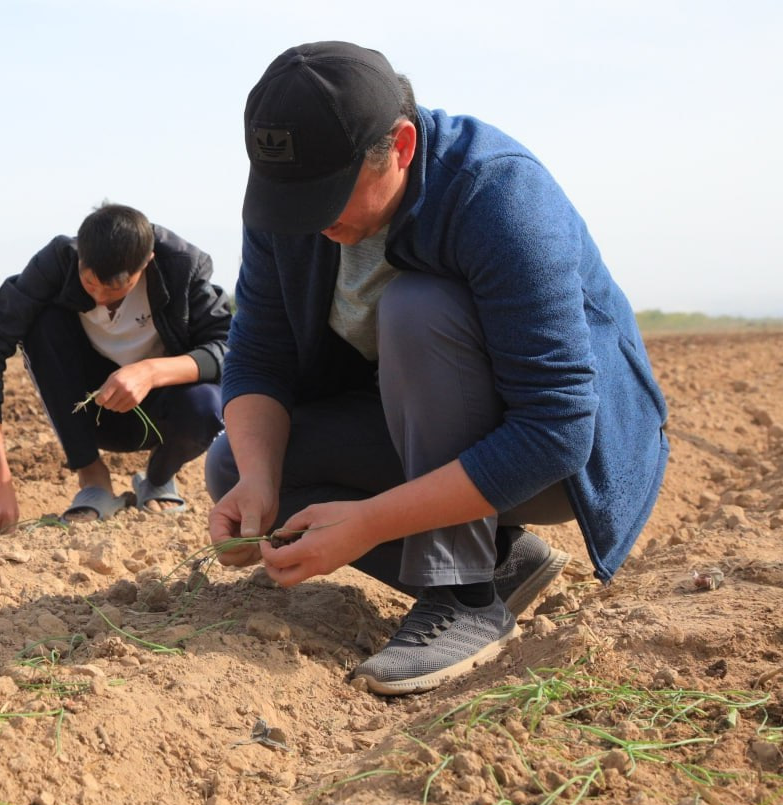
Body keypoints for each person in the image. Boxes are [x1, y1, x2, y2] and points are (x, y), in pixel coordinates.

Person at [206, 42, 668, 695]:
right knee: (236, 464)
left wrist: (369, 523)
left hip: (561, 461)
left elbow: (557, 429)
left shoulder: (497, 192)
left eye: (329, 197)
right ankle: (506, 563)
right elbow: (259, 353)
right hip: (423, 430)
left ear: (399, 145)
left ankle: (465, 594)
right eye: (296, 202)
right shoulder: (292, 210)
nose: (314, 223)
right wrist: (257, 477)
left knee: (416, 308)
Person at [0, 203, 230, 533]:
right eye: (89, 283)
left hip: (162, 413)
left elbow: (226, 346)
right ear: (79, 257)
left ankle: (159, 478)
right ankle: (93, 479)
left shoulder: (184, 266)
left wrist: (149, 372)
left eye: (116, 288)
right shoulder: (57, 263)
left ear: (146, 262)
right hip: (90, 411)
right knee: (41, 323)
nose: (101, 297)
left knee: (207, 405)